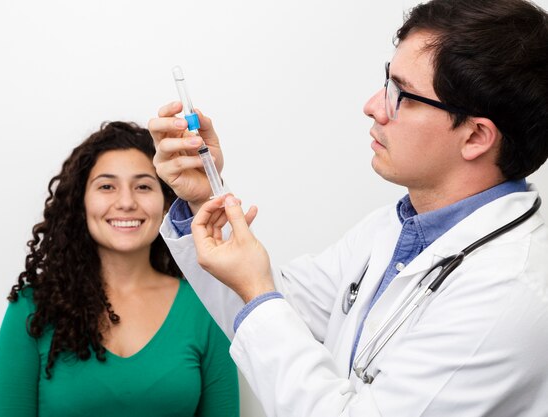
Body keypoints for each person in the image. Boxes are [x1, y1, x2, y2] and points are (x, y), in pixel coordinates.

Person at [148, 0, 548, 415]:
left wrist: (255, 288)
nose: (374, 105)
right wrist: (202, 198)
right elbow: (276, 312)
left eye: (403, 94)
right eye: (385, 81)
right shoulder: (398, 227)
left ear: (475, 137)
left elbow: (261, 300)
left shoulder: (506, 293)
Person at [0, 122, 239, 417]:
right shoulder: (32, 308)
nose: (126, 202)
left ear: (166, 202)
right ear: (80, 203)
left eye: (143, 186)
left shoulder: (207, 305)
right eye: (107, 186)